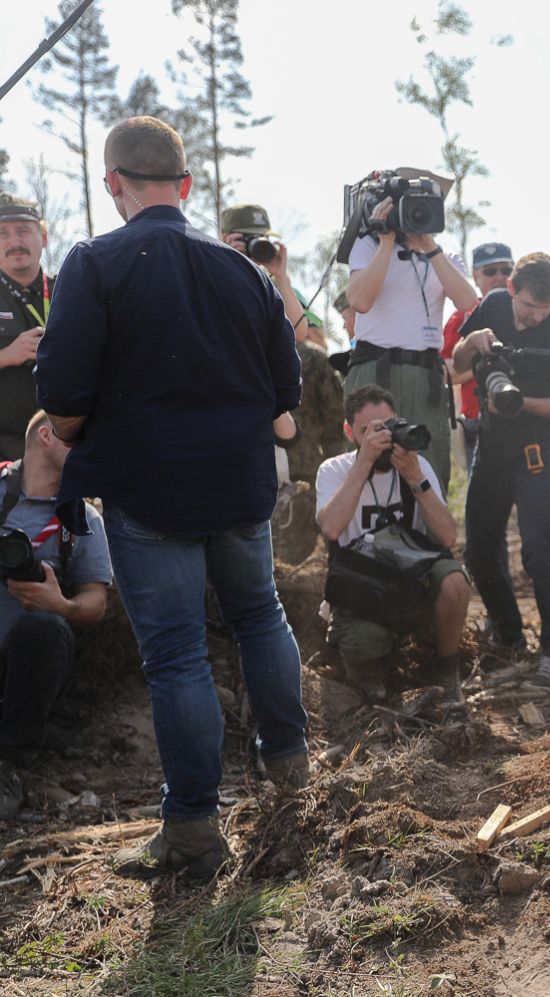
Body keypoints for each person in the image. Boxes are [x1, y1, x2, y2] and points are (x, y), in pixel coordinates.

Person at [35, 116, 307, 880]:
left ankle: (192, 827)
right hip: (238, 483)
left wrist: (79, 426)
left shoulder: (95, 263)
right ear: (185, 187)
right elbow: (285, 388)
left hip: (148, 493)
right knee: (262, 616)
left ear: (113, 183)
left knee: (179, 653)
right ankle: (292, 771)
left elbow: (61, 397)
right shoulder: (244, 273)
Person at [452, 253, 550, 684]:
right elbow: (455, 370)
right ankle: (508, 634)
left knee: (538, 550)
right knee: (480, 550)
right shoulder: (490, 306)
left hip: (536, 451)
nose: (534, 316)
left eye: (544, 309)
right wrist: (473, 342)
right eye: (528, 307)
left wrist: (521, 402)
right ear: (511, 290)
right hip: (490, 446)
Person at [315, 385, 471, 704]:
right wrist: (364, 463)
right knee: (363, 644)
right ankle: (371, 681)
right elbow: (331, 528)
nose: (381, 437)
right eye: (369, 430)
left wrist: (416, 479)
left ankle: (446, 670)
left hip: (408, 582)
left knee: (455, 582)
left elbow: (447, 537)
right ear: (349, 432)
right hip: (362, 587)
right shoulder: (334, 470)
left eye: (388, 425)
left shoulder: (415, 465)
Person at [0, 413, 112, 818]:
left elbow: (95, 603)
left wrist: (59, 605)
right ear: (46, 436)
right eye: (80, 441)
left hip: (27, 660)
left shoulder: (83, 518)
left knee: (46, 628)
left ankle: (10, 765)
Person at [344, 169, 480, 494]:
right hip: (375, 371)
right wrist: (386, 242)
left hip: (426, 377)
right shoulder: (367, 246)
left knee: (429, 463)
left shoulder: (444, 256)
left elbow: (467, 301)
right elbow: (360, 301)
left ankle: (430, 540)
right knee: (371, 463)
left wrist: (430, 247)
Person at [220, 204, 344, 485]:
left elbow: (299, 334)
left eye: (260, 239)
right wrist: (227, 259)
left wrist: (282, 277)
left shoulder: (273, 285)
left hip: (283, 436)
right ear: (224, 237)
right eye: (245, 239)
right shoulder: (212, 275)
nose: (254, 247)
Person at [443, 241, 514, 471]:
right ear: (476, 277)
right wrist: (488, 364)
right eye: (490, 271)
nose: (499, 277)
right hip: (479, 421)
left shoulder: (529, 311)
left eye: (506, 270)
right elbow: (446, 373)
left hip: (523, 415)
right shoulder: (462, 317)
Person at [0, 194, 51, 462]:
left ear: (43, 236)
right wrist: (7, 355)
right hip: (5, 455)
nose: (14, 242)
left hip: (66, 447)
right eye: (3, 233)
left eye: (23, 231)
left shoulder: (71, 290)